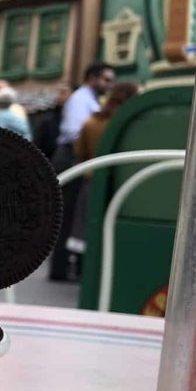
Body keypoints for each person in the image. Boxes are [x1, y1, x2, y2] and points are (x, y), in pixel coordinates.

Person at [49, 62, 115, 281]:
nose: (109, 84)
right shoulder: (80, 99)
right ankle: (59, 269)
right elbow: (74, 130)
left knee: (74, 213)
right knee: (67, 214)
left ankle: (67, 265)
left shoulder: (90, 99)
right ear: (92, 78)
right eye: (106, 79)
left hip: (76, 157)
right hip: (71, 157)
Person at [67, 81, 141, 259]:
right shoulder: (132, 123)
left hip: (92, 177)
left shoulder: (92, 122)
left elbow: (79, 151)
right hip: (121, 183)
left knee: (87, 225)